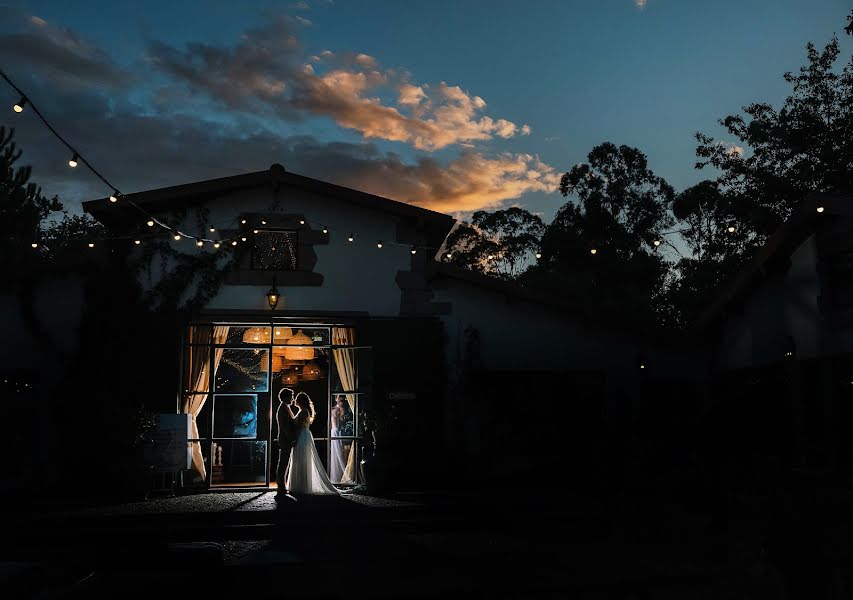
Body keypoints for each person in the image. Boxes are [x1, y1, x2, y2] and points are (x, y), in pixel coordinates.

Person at [285, 391, 340, 495]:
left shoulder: (304, 411)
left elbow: (296, 424)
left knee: (301, 460)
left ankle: (301, 486)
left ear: (300, 401)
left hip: (302, 437)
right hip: (303, 436)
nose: (295, 400)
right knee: (299, 459)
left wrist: (289, 413)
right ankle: (300, 485)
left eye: (296, 399)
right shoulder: (303, 411)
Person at [275, 388, 298, 495]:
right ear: (285, 397)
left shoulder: (285, 408)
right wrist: (291, 438)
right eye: (291, 396)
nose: (292, 399)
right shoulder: (283, 409)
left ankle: (281, 484)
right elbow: (285, 427)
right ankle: (280, 485)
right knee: (283, 462)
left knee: (284, 461)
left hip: (285, 439)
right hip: (285, 439)